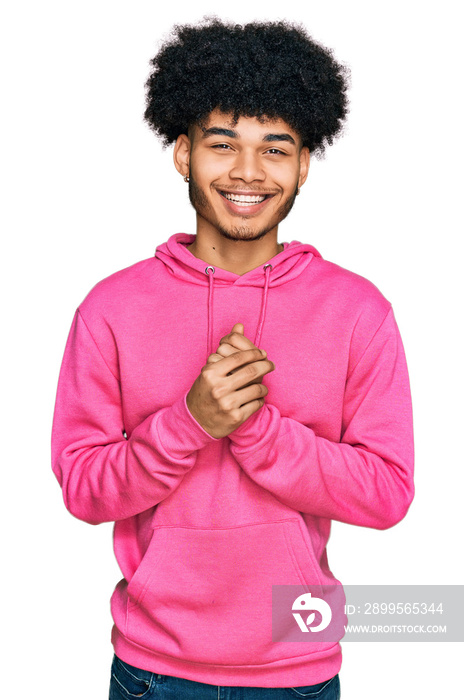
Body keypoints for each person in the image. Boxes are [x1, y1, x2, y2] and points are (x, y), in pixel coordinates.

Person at [51, 18, 414, 700]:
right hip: (152, 667)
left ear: (304, 163)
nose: (248, 172)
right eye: (223, 145)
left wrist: (256, 428)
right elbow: (84, 489)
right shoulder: (111, 308)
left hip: (300, 665)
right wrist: (190, 422)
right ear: (184, 154)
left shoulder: (359, 311)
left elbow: (388, 492)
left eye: (275, 149)